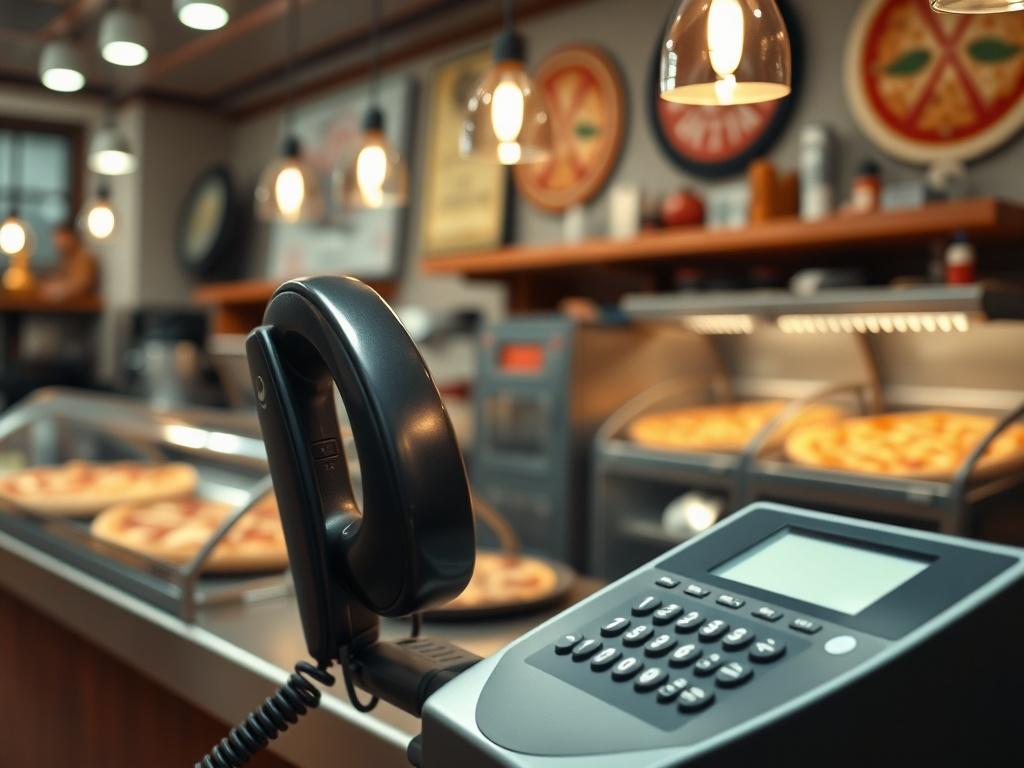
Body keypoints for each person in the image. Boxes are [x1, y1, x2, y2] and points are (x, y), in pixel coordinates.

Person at [39, 223, 98, 302]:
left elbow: (81, 286)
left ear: (71, 237)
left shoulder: (84, 258)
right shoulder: (66, 259)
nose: (57, 242)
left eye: (61, 238)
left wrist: (56, 289)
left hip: (79, 309)